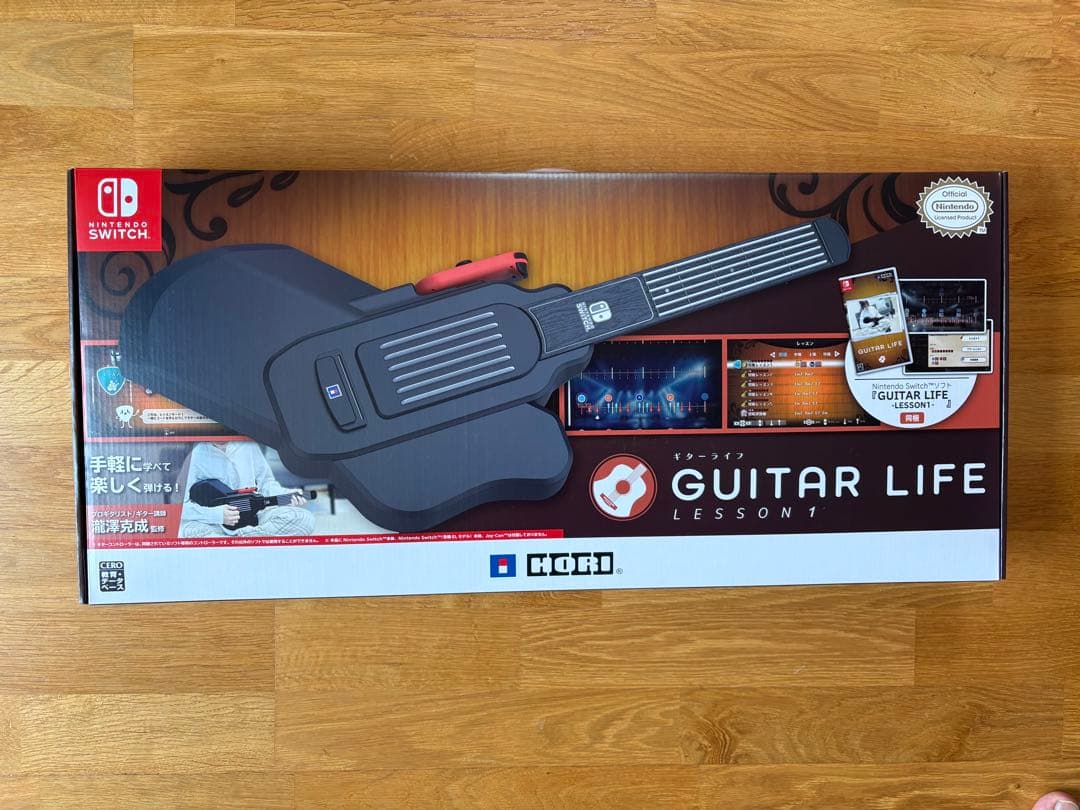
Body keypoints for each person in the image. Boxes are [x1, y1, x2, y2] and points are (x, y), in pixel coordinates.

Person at [179, 441, 314, 537]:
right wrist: (217, 515)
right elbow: (179, 506)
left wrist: (287, 495)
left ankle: (236, 541)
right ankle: (245, 543)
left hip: (255, 519)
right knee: (189, 531)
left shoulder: (248, 446)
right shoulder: (196, 455)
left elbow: (266, 483)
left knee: (305, 519)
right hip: (216, 525)